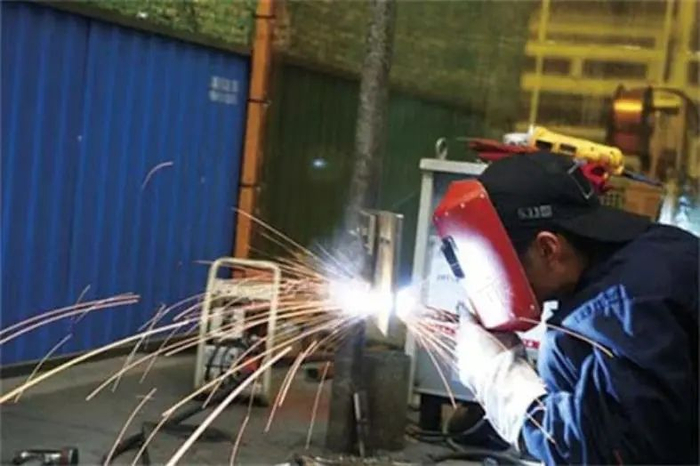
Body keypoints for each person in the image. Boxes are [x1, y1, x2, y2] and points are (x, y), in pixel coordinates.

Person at [454, 152, 698, 464]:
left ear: (548, 249)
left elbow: (614, 454)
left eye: (496, 263)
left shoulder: (622, 308)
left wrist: (500, 382)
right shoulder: (659, 249)